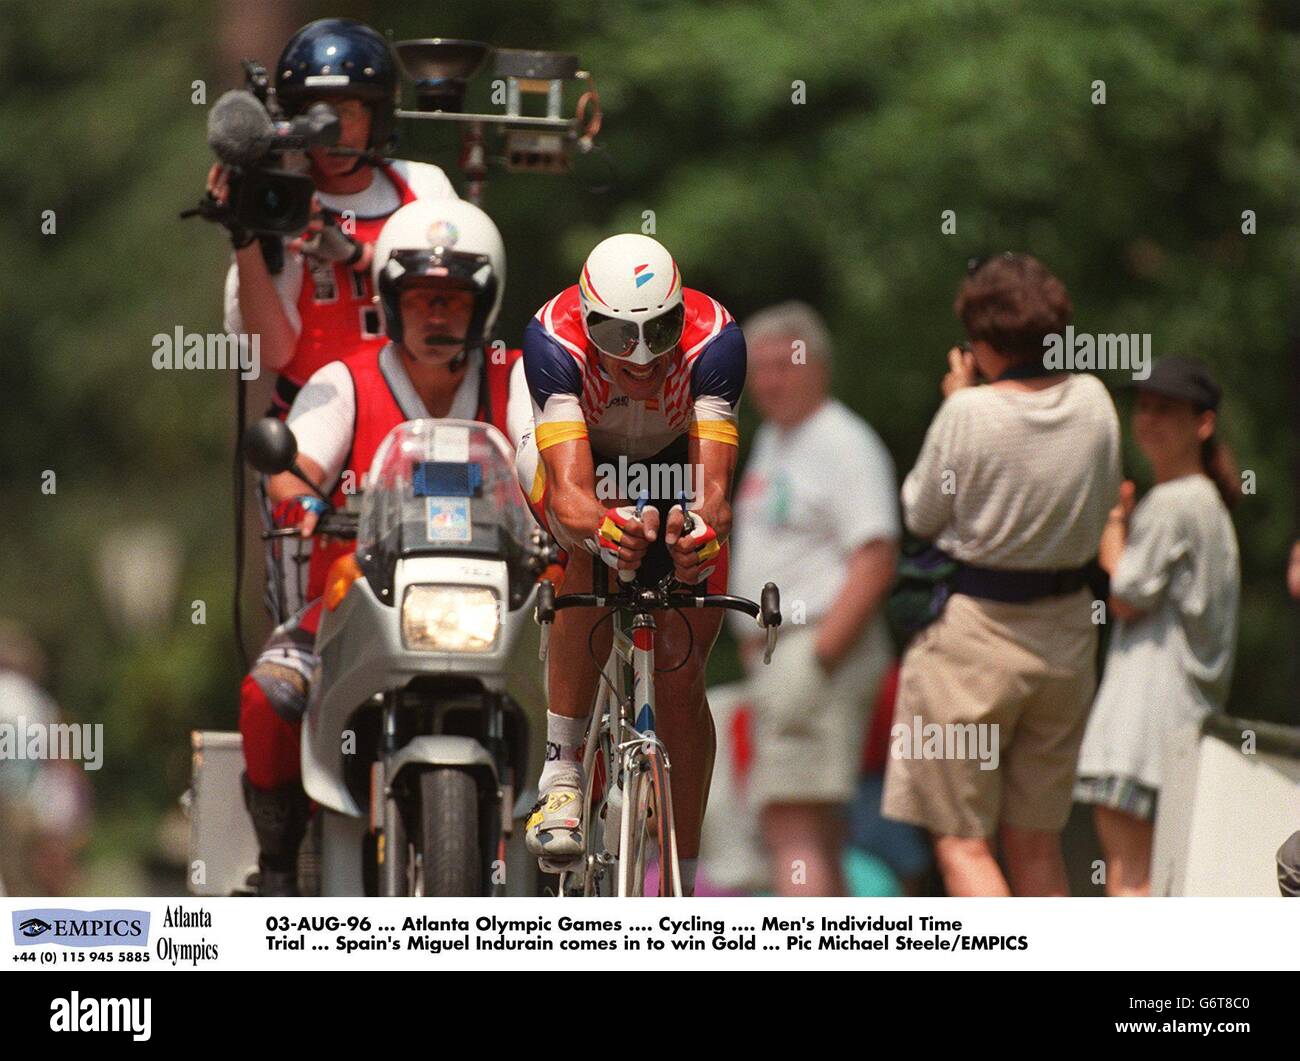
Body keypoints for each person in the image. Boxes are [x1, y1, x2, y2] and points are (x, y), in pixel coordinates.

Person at [238, 198, 526, 895]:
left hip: (503, 620)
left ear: (482, 306)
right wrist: (302, 497)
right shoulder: (345, 378)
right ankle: (277, 861)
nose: (437, 316)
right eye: (421, 298)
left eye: (454, 301)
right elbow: (290, 465)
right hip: (353, 615)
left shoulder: (512, 377)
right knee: (271, 692)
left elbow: (549, 462)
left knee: (586, 689)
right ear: (391, 301)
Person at [881, 253, 1121, 897]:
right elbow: (1103, 507)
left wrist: (961, 400)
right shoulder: (1096, 400)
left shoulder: (970, 413)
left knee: (963, 841)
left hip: (974, 639)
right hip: (1067, 635)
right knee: (1038, 842)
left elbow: (920, 513)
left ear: (983, 343)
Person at [514, 233, 746, 894]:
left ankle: (681, 875)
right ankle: (561, 772)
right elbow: (570, 493)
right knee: (584, 541)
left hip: (671, 459)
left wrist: (700, 534)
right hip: (581, 458)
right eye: (618, 338)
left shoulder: (715, 339)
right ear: (588, 324)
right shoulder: (552, 341)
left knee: (679, 666)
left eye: (659, 333)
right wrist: (605, 530)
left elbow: (714, 495)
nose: (642, 360)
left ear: (683, 314)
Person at [209, 18, 460, 621]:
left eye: (346, 109)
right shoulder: (284, 201)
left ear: (378, 114)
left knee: (441, 609)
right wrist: (249, 237)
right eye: (313, 111)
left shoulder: (423, 188)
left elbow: (458, 291)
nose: (331, 129)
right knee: (310, 625)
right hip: (314, 438)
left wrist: (356, 255)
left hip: (417, 423)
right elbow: (272, 351)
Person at [726, 301, 899, 896]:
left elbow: (875, 557)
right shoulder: (778, 439)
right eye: (761, 368)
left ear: (818, 366)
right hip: (788, 653)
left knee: (789, 825)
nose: (769, 380)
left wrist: (818, 657)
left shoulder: (841, 442)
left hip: (817, 649)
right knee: (817, 826)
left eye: (785, 365)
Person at [1075, 357, 1240, 896]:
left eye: (1165, 409)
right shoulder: (1209, 504)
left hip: (1140, 730)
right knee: (1162, 885)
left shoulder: (1175, 502)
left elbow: (1124, 594)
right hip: (1183, 727)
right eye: (1143, 407)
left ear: (1204, 423)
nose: (1147, 420)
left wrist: (1112, 522)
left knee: (1130, 882)